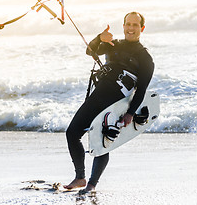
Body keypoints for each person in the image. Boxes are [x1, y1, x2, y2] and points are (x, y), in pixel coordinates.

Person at [64, 12, 154, 193]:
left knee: (101, 143)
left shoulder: (145, 58)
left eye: (135, 25)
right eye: (128, 24)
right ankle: (80, 177)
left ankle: (91, 185)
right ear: (123, 26)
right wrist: (99, 38)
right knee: (72, 133)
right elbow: (90, 51)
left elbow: (142, 89)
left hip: (115, 104)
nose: (131, 28)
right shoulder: (114, 45)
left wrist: (130, 113)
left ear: (142, 29)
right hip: (97, 96)